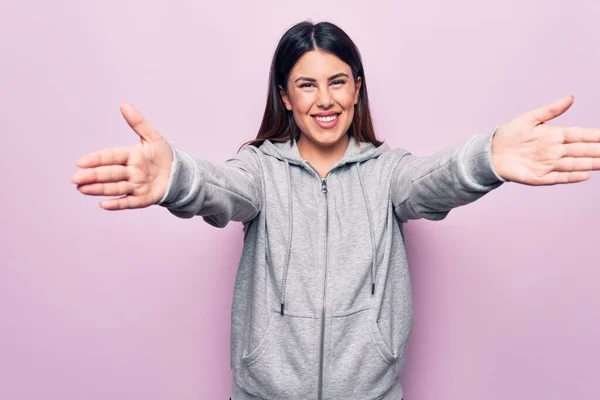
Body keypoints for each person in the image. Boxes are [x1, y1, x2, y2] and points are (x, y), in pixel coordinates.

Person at [71, 20, 599, 400]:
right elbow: (223, 189)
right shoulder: (260, 171)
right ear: (285, 97)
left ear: (356, 87)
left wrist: (486, 159)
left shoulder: (388, 171)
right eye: (306, 84)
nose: (324, 100)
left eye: (337, 81)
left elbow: (433, 181)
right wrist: (176, 178)